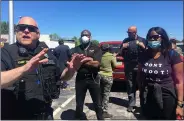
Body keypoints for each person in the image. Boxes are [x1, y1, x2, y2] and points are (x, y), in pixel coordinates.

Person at [1, 16, 91, 120]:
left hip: (45, 114)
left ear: (38, 34)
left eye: (31, 28)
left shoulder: (46, 51)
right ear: (16, 31)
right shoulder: (6, 52)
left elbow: (62, 75)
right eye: (22, 27)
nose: (26, 31)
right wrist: (24, 69)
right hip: (16, 116)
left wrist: (71, 70)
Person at [137, 27, 183, 119]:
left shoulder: (172, 55)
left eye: (155, 37)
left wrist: (180, 105)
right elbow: (139, 75)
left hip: (167, 96)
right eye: (149, 37)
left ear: (162, 38)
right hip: (148, 96)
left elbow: (180, 82)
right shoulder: (143, 55)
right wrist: (141, 92)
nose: (152, 39)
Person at [70, 30, 104, 120]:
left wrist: (80, 61)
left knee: (98, 102)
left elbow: (96, 64)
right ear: (80, 37)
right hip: (80, 79)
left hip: (93, 78)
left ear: (90, 37)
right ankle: (78, 117)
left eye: (87, 35)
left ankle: (100, 118)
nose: (85, 36)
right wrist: (88, 60)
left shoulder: (96, 48)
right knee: (79, 102)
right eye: (83, 35)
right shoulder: (76, 49)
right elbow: (71, 62)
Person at [120, 26, 146, 112]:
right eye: (127, 32)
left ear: (134, 32)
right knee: (130, 85)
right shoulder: (125, 40)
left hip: (140, 66)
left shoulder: (142, 40)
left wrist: (142, 46)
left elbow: (148, 52)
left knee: (142, 85)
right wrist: (123, 47)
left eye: (129, 32)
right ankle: (131, 104)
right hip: (129, 66)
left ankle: (143, 104)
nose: (128, 34)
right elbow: (120, 53)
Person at [99, 43, 117, 118]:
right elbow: (115, 66)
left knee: (100, 93)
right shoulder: (111, 56)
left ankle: (99, 108)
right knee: (106, 94)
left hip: (99, 76)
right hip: (108, 76)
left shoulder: (99, 56)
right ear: (108, 49)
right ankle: (104, 111)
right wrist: (114, 57)